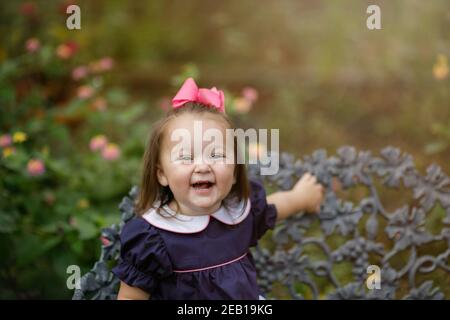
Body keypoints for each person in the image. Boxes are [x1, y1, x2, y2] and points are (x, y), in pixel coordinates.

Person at [113, 78, 324, 299]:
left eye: (216, 155)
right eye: (186, 157)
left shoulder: (239, 212)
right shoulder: (153, 238)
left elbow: (276, 206)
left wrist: (301, 197)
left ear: (234, 172)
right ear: (162, 174)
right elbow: (130, 297)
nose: (203, 165)